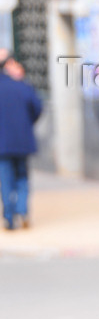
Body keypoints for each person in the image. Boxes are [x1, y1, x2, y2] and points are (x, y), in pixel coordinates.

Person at [0, 49, 42, 230]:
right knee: (22, 178)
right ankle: (22, 211)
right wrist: (25, 124)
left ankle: (9, 216)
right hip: (22, 141)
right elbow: (37, 108)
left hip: (2, 144)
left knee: (6, 179)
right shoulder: (23, 87)